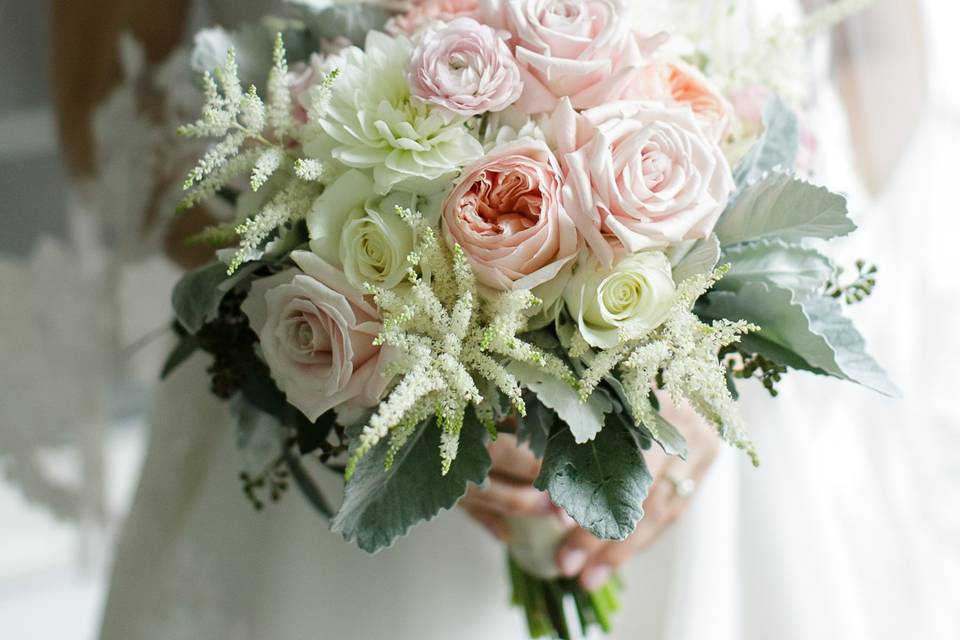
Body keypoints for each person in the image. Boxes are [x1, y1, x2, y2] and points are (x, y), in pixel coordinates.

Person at [50, 1, 958, 638]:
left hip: (717, 452)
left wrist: (707, 345)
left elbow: (880, 60)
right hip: (315, 442)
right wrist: (347, 319)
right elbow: (107, 107)